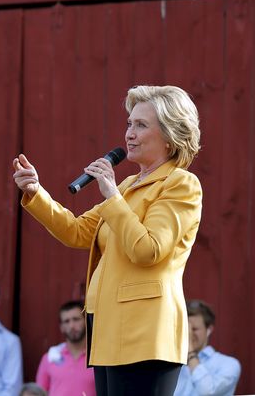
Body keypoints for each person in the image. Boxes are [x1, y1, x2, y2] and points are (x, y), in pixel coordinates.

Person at [13, 84, 203, 396]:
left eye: (141, 125)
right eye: (130, 123)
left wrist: (112, 196)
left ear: (169, 137)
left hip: (146, 335)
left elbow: (149, 249)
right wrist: (36, 193)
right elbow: (76, 231)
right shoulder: (128, 185)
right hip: (107, 331)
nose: (129, 133)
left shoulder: (180, 184)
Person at [174, 300, 241, 396]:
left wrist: (190, 352)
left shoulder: (229, 364)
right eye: (185, 328)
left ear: (209, 330)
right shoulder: (174, 365)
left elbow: (207, 391)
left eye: (194, 329)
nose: (188, 333)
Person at [35, 300, 95, 396]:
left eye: (76, 319)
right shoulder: (49, 358)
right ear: (61, 327)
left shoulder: (96, 358)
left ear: (86, 321)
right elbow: (39, 393)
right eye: (66, 321)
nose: (71, 326)